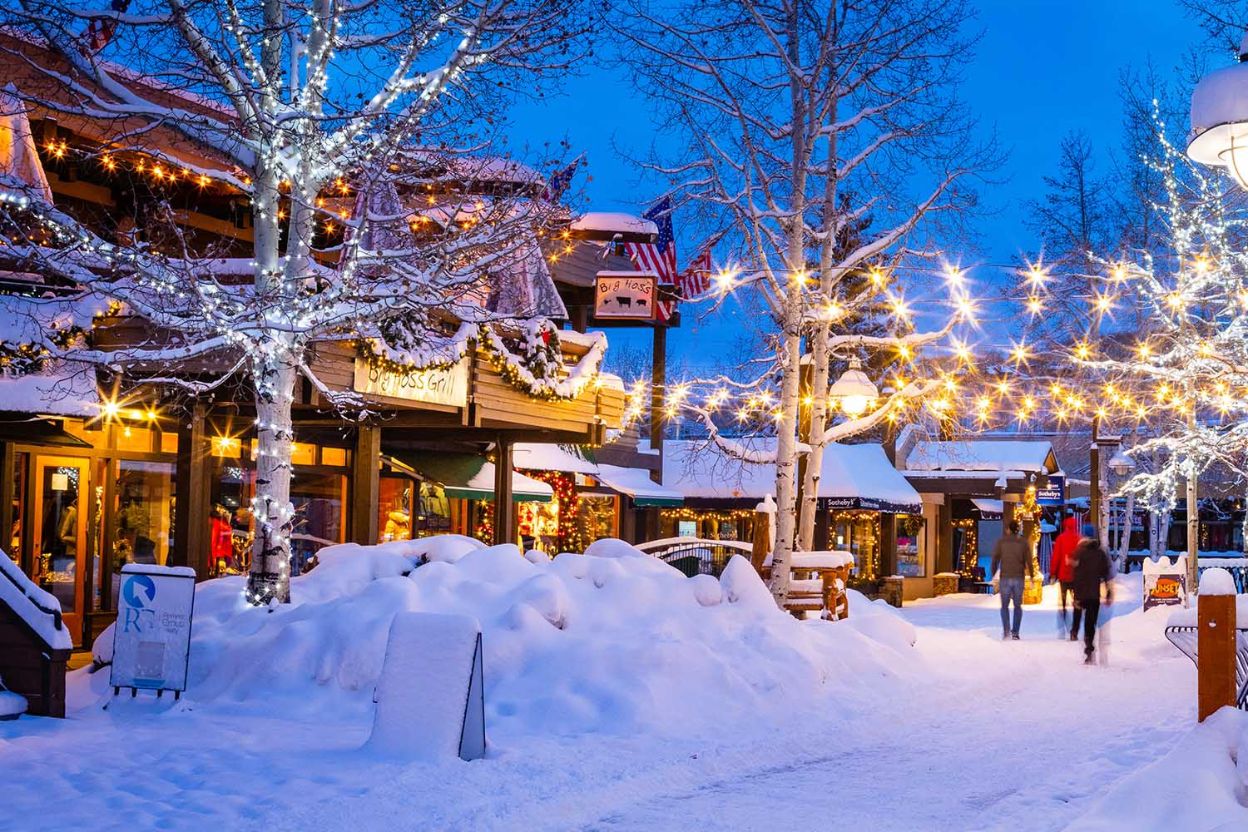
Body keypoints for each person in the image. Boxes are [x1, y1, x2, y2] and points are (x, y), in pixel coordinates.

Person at [1071, 524, 1113, 664]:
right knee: (1091, 623)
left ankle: (1088, 649)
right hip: (1093, 594)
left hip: (1081, 593)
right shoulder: (1100, 553)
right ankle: (1089, 650)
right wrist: (1108, 592)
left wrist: (1075, 594)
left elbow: (1076, 575)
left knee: (1085, 622)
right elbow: (1106, 573)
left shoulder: (1079, 552)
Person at [991, 520, 1035, 640]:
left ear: (1009, 529)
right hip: (1018, 577)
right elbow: (1029, 561)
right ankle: (1015, 632)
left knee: (1004, 606)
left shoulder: (1001, 542)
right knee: (1017, 606)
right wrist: (1031, 576)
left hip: (1005, 576)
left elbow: (995, 558)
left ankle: (1006, 631)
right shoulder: (1023, 542)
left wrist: (993, 573)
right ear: (1018, 529)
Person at [1050, 515, 1081, 639]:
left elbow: (1056, 557)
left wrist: (1053, 573)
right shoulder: (1079, 539)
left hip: (1063, 576)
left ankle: (1063, 624)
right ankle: (1074, 630)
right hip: (1076, 576)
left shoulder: (1060, 539)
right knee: (1077, 603)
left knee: (1062, 601)